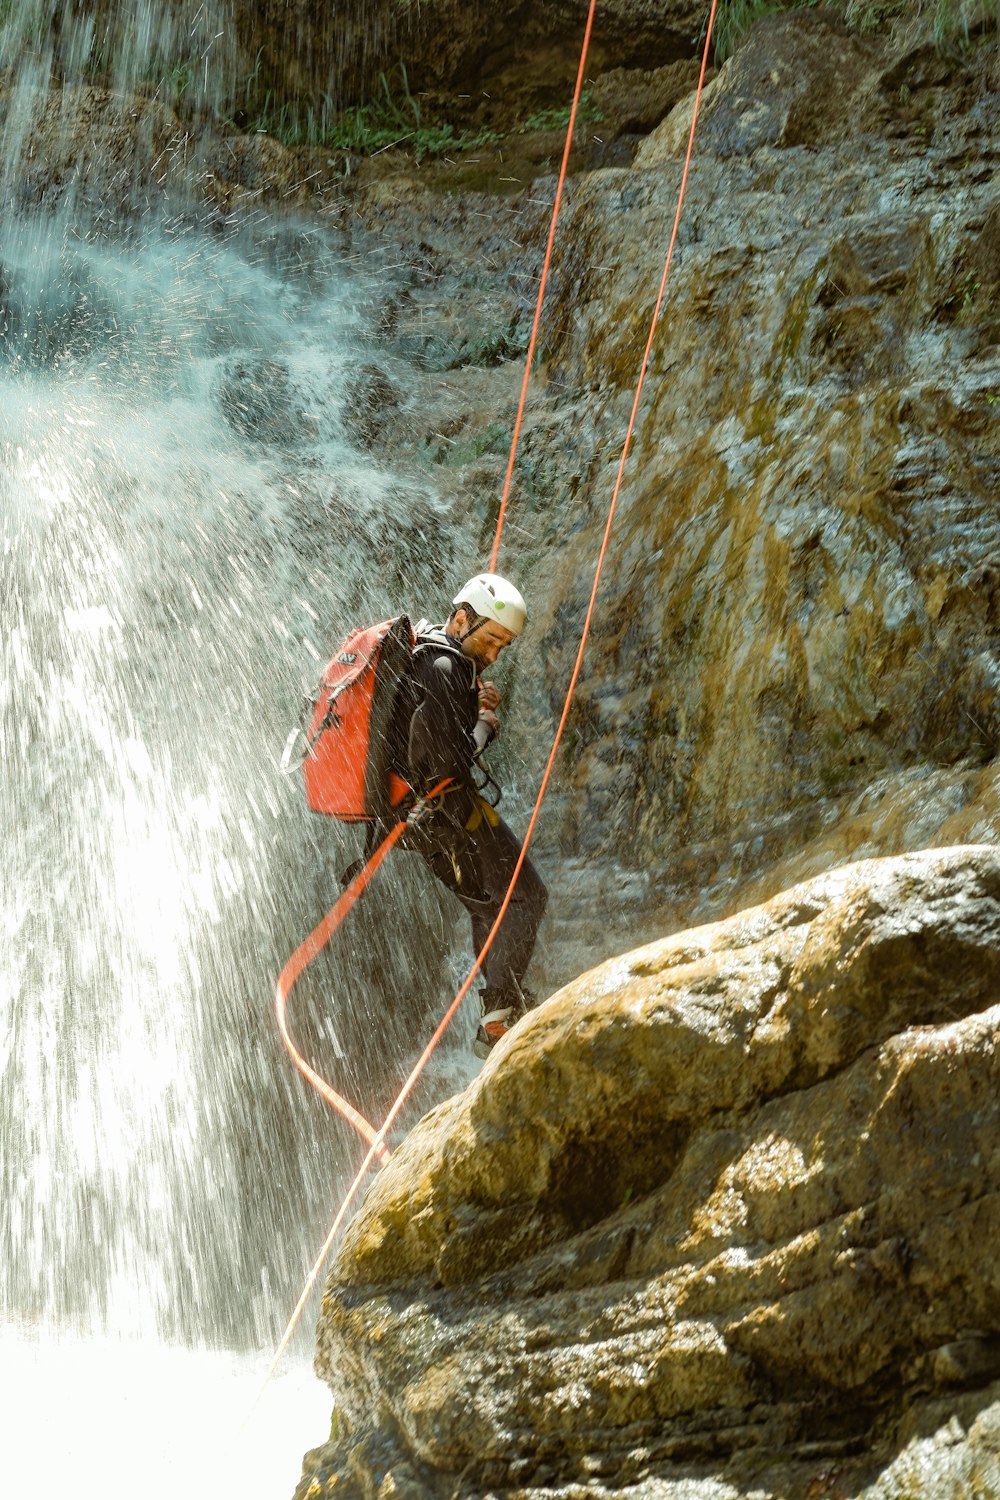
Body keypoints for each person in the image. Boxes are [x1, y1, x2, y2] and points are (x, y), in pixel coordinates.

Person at [394, 572, 547, 1058]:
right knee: (525, 897)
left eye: (505, 645)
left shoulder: (432, 658)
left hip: (426, 823)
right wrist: (483, 725)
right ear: (462, 618)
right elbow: (451, 762)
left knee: (488, 906)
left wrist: (473, 707)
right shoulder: (442, 666)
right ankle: (502, 1011)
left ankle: (497, 1019)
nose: (496, 654)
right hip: (450, 818)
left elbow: (432, 741)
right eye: (491, 640)